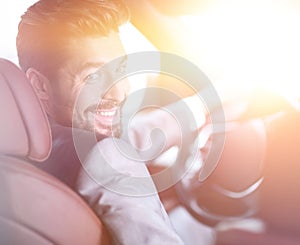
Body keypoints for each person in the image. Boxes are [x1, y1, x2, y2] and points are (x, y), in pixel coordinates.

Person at [16, 0, 184, 244]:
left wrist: (200, 112)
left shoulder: (31, 148)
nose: (119, 93)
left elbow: (125, 141)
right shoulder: (105, 155)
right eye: (93, 77)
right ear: (41, 85)